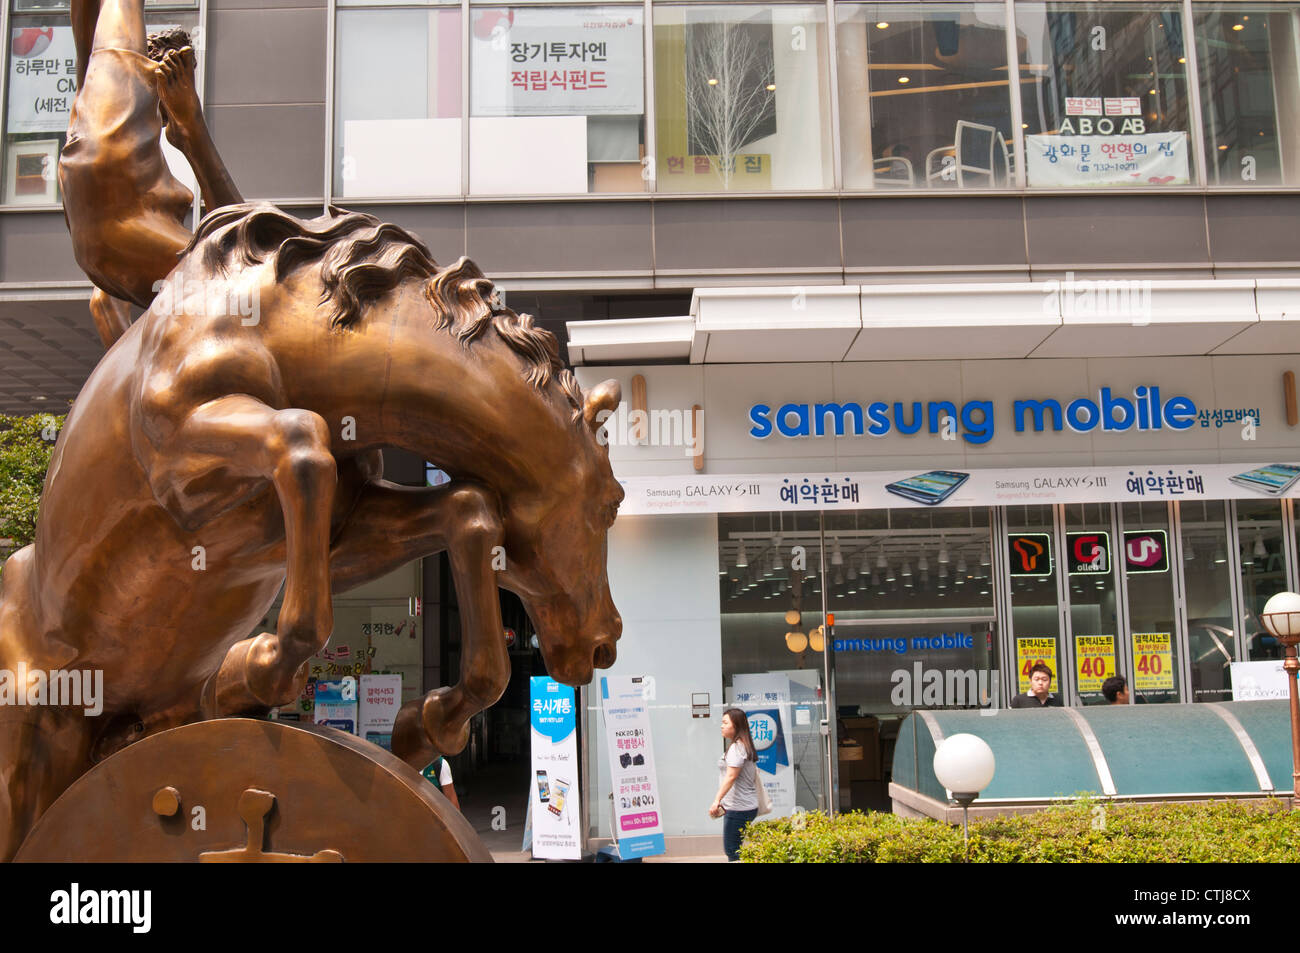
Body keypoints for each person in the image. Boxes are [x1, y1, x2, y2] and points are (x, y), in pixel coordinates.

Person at [60, 0, 243, 347]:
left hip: (99, 209)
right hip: (105, 209)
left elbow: (102, 306)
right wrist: (192, 127)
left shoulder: (126, 148)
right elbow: (243, 237)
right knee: (245, 266)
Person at [708, 707, 759, 862]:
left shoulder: (737, 748)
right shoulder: (742, 745)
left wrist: (716, 800)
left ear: (736, 725)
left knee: (732, 850)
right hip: (743, 806)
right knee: (735, 849)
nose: (721, 726)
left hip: (738, 808)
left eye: (725, 722)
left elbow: (731, 777)